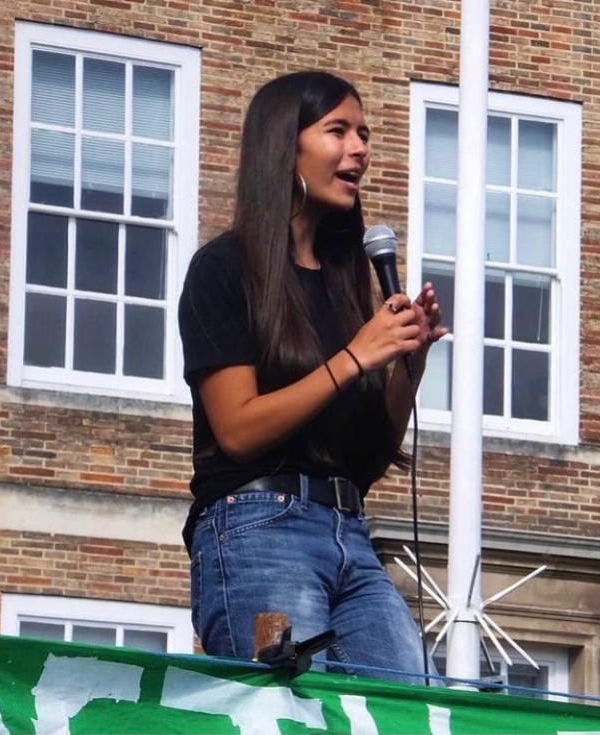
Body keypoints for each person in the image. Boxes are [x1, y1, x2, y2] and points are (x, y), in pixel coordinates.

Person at [178, 71, 447, 682]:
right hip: (257, 525)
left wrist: (409, 360)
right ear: (285, 145)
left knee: (400, 711)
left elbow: (368, 459)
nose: (360, 149)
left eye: (364, 134)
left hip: (350, 531)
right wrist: (355, 356)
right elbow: (239, 431)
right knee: (291, 714)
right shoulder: (223, 269)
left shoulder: (348, 281)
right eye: (338, 131)